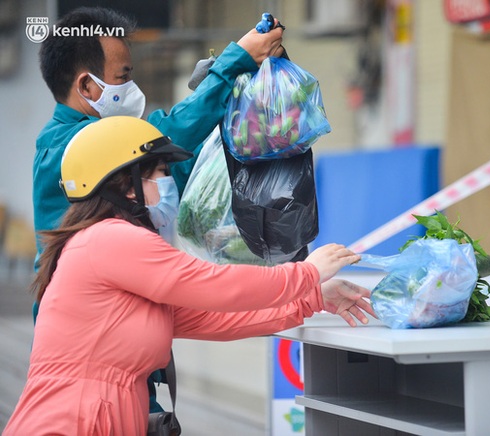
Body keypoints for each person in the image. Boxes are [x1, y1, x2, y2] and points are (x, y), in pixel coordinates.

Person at [4, 116, 374, 434]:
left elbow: (214, 317)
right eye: (161, 173)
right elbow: (215, 285)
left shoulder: (108, 245)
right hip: (72, 422)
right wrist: (305, 274)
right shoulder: (110, 239)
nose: (170, 185)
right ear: (127, 184)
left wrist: (313, 298)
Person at [33, 6, 285, 411]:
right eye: (124, 77)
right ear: (87, 85)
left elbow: (170, 170)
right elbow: (159, 137)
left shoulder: (111, 159)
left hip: (123, 355)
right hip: (92, 370)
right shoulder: (69, 149)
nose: (131, 87)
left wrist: (229, 97)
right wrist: (232, 65)